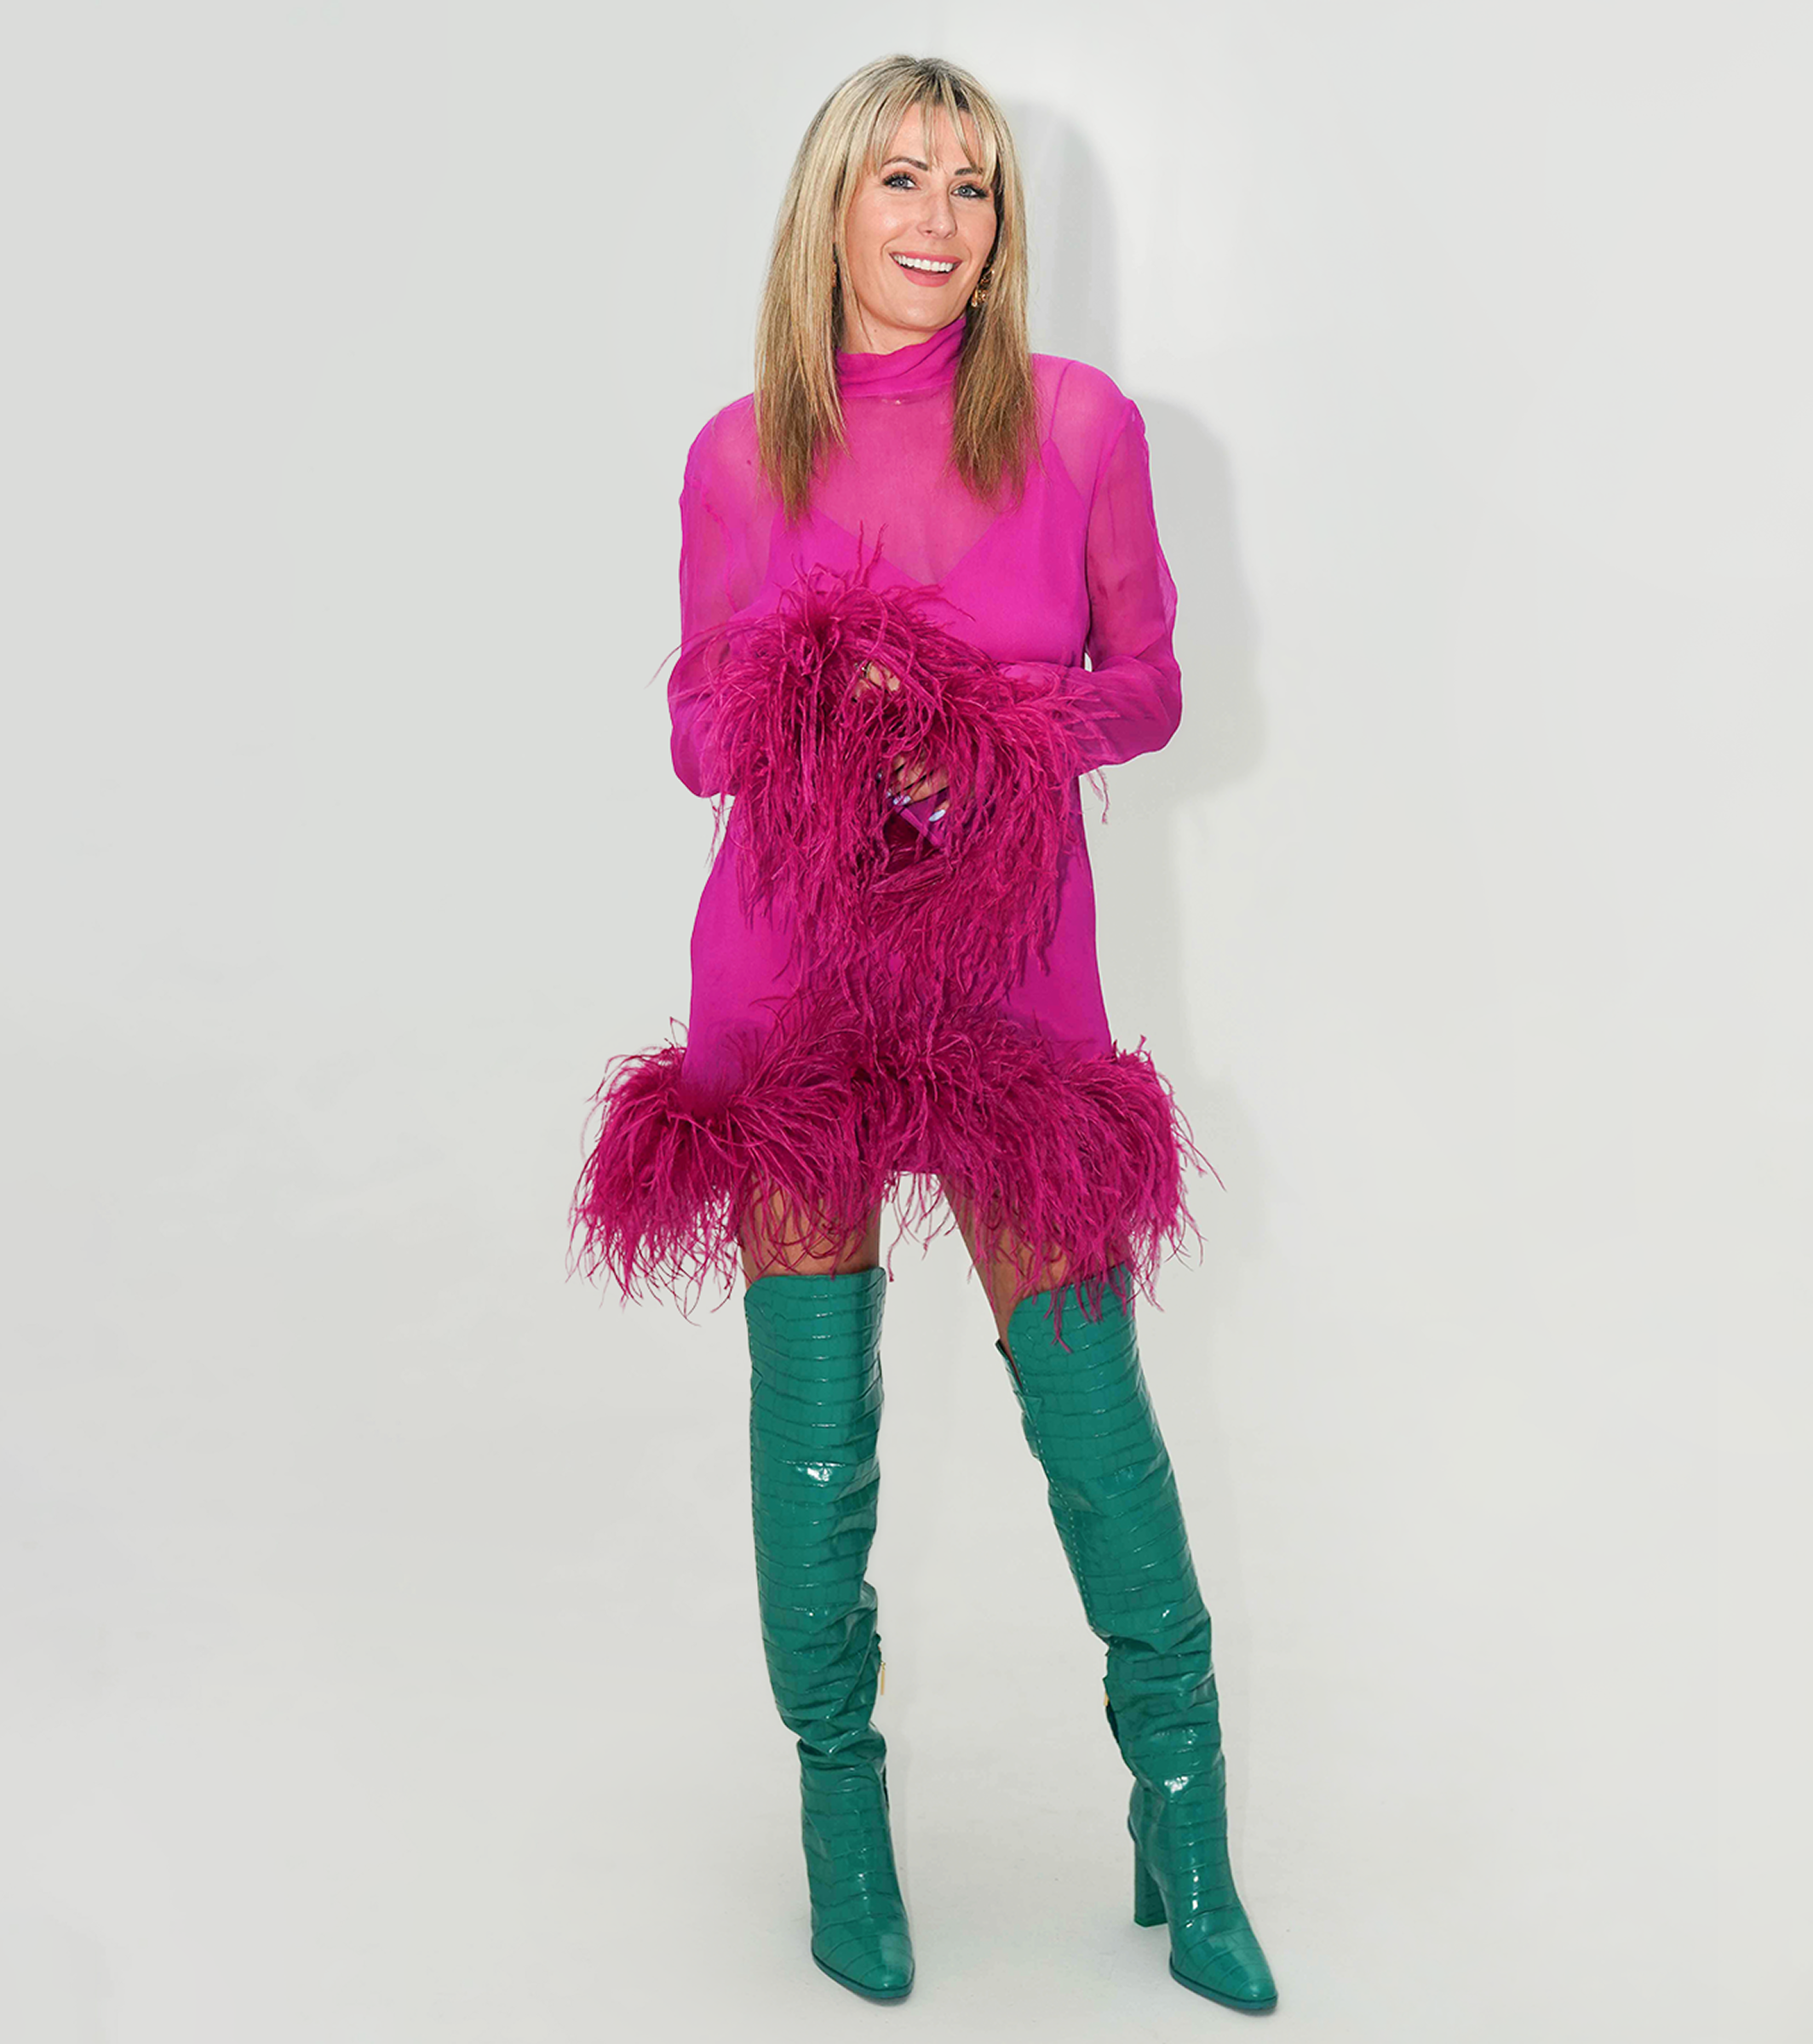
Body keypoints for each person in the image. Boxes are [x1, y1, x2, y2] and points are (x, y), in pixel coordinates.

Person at [571, 55, 1273, 2013]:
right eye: (903, 178)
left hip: (1013, 976)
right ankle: (841, 1810)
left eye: (973, 187)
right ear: (834, 206)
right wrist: (823, 695)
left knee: (1094, 1419)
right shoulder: (742, 456)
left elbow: (1152, 684)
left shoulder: (1077, 425)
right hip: (796, 976)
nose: (942, 220)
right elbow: (696, 736)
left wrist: (990, 728)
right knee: (816, 1434)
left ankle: (1188, 1821)